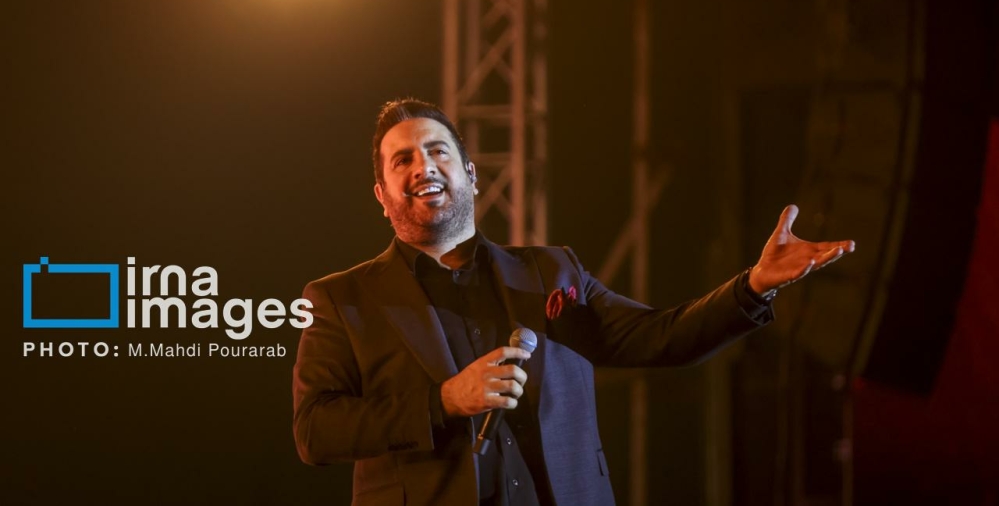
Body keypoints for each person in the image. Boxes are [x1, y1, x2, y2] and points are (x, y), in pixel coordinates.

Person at [292, 98, 855, 506]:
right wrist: (443, 401)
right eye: (402, 160)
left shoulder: (550, 271)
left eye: (437, 150)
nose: (422, 166)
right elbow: (316, 431)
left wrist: (754, 285)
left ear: (470, 174)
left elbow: (659, 337)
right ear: (382, 196)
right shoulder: (342, 299)